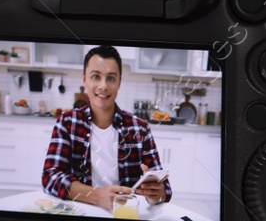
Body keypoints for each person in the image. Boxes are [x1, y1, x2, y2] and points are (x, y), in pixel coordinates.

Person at [42, 45, 172, 210]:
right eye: (95, 76)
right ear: (84, 80)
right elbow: (50, 177)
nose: (103, 86)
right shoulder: (67, 122)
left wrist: (158, 193)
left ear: (119, 82)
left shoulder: (140, 128)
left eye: (111, 78)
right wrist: (97, 196)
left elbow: (164, 188)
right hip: (80, 213)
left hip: (127, 215)